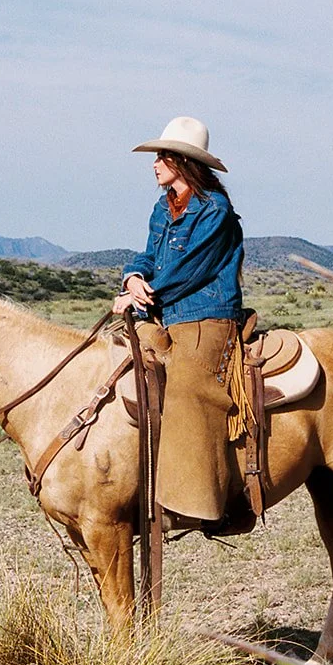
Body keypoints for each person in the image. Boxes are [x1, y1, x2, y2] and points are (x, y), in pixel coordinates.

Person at [114, 116, 245, 525]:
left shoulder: (215, 211)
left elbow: (190, 269)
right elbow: (151, 256)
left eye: (161, 157)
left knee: (189, 385)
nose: (154, 164)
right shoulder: (163, 205)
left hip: (207, 315)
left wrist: (141, 296)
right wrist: (133, 277)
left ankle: (197, 501)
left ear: (181, 162)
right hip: (164, 309)